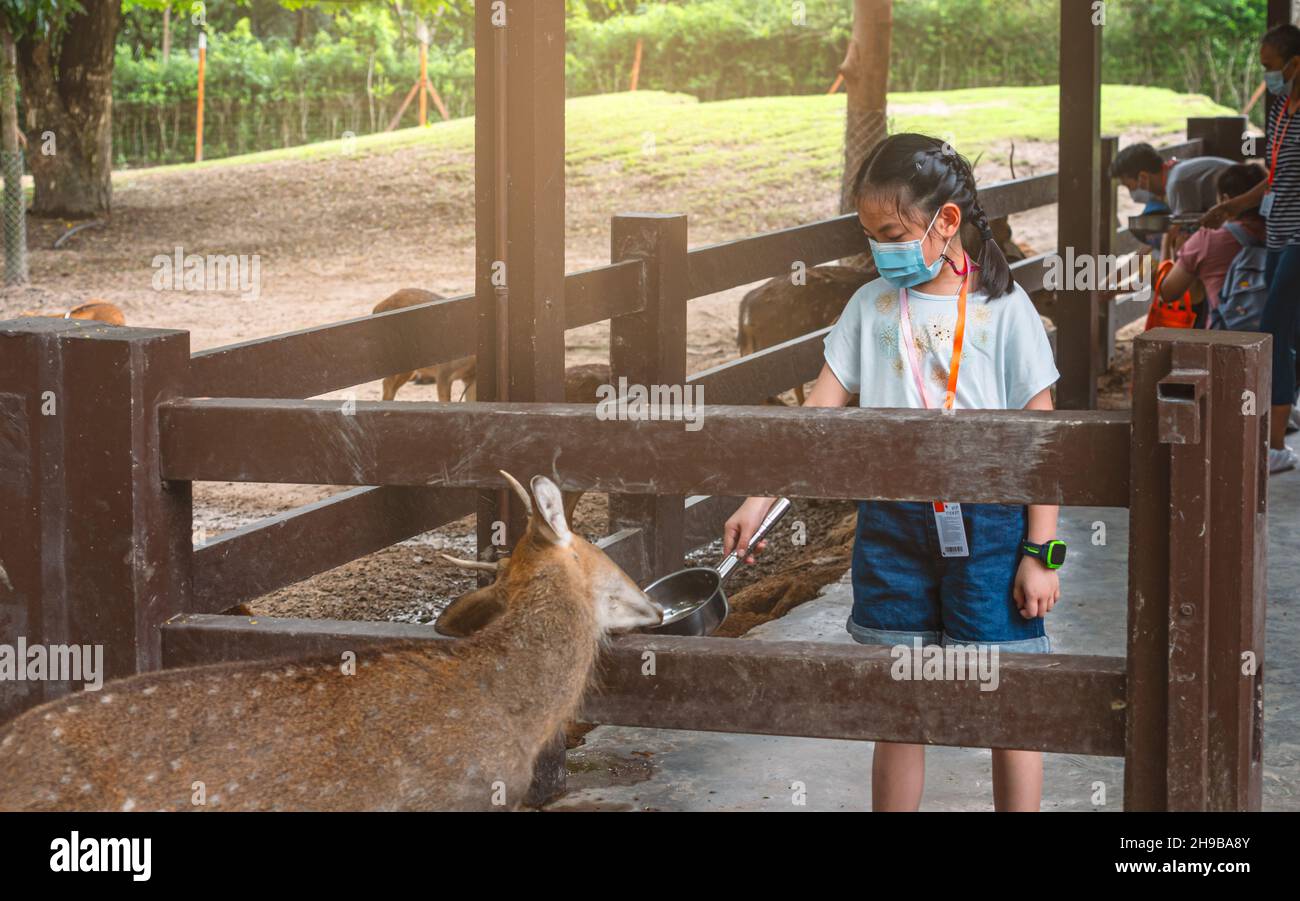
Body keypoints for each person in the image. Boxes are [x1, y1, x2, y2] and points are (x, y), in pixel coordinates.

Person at [723, 134, 1062, 812]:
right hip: (893, 529)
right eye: (870, 234)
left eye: (891, 232)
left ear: (946, 223)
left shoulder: (1004, 312)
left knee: (1008, 700)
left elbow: (1043, 445)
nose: (880, 248)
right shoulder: (869, 308)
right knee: (899, 703)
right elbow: (815, 421)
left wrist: (1039, 553)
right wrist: (757, 502)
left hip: (993, 529)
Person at [1204, 23, 1300, 475]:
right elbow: (1274, 175)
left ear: (1295, 63)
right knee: (1285, 329)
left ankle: (1275, 444)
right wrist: (1233, 208)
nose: (1268, 75)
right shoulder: (1283, 109)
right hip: (1279, 232)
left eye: (1270, 66)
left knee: (1273, 328)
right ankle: (1286, 410)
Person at [1158, 164, 1268, 327]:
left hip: (1225, 340)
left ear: (1225, 200)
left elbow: (1167, 292)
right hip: (1280, 338)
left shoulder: (1207, 240)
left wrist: (1167, 243)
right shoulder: (1284, 232)